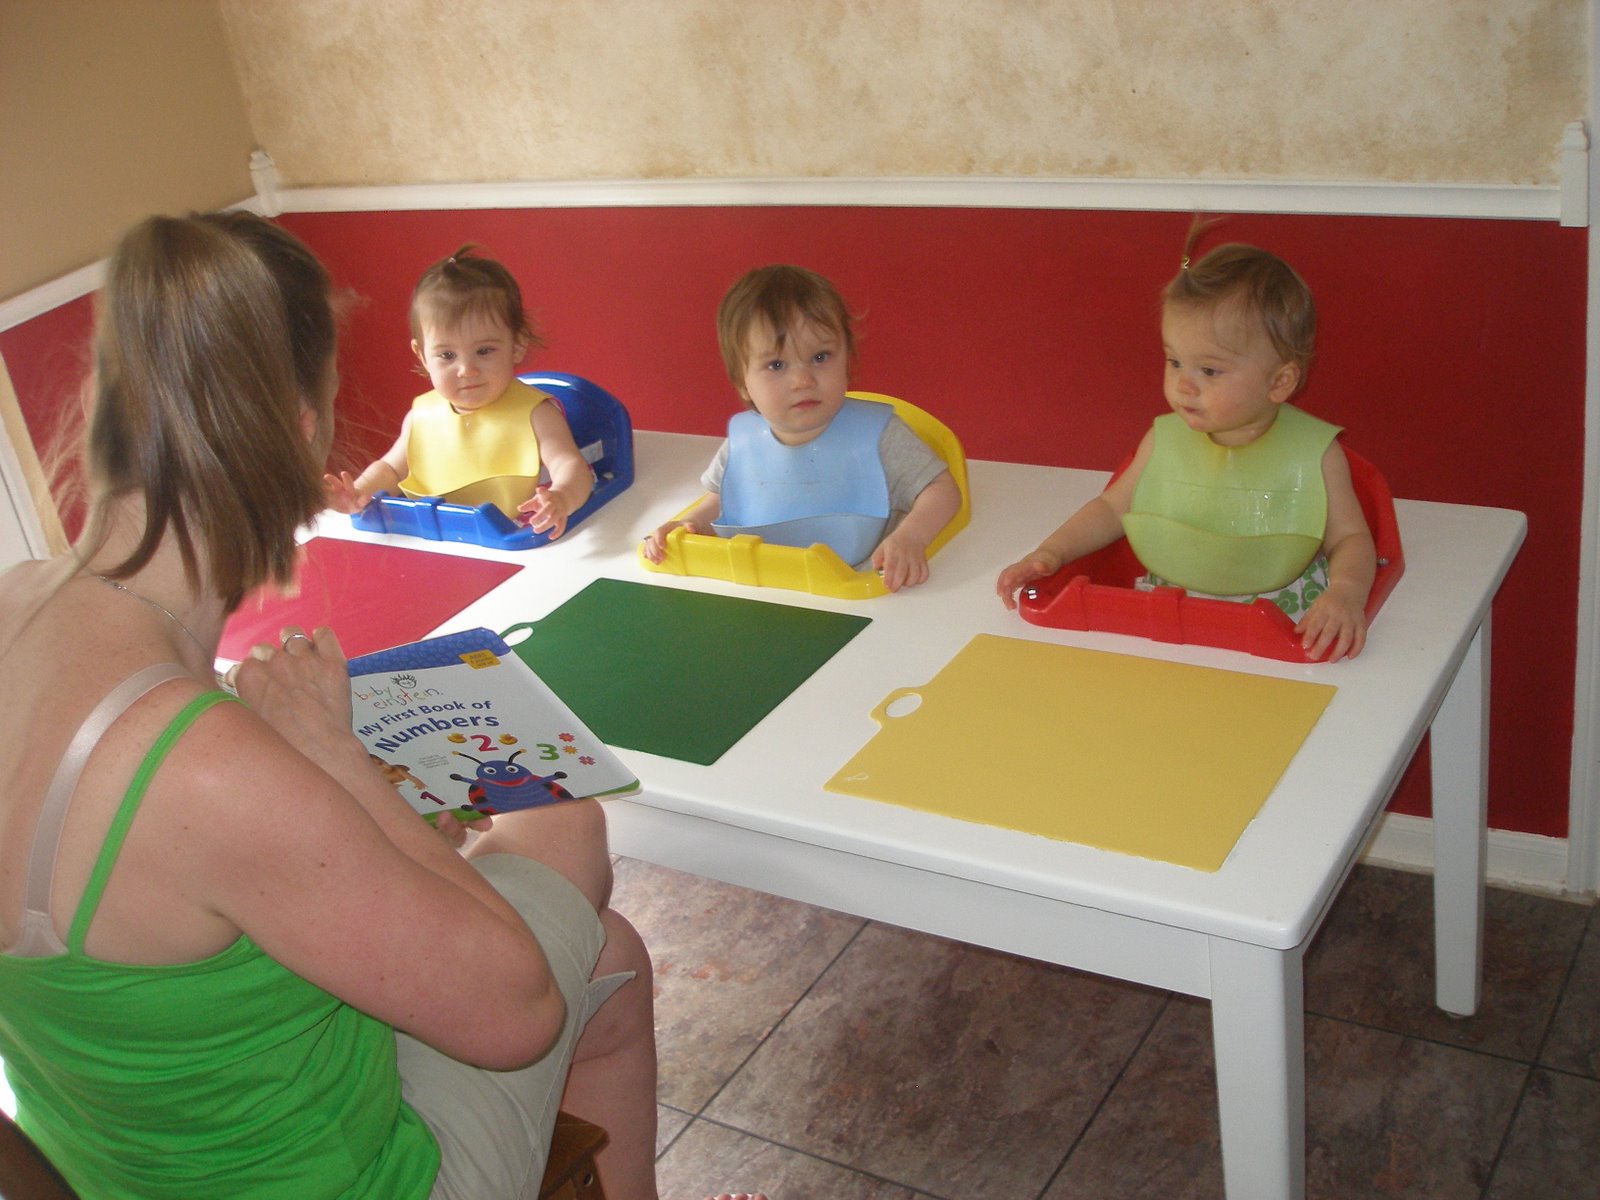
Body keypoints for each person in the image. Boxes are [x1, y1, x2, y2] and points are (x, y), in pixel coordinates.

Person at [0, 212, 664, 1198]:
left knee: (609, 958)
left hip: (119, 1153)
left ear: (108, 407)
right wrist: (333, 758)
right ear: (298, 432)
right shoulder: (203, 766)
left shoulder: (14, 600)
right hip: (350, 1179)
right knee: (561, 819)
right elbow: (517, 1016)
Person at [995, 231, 1377, 662]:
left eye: (1209, 371)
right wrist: (1051, 551)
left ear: (1279, 381)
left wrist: (1345, 593)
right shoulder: (1162, 439)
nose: (1183, 385)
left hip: (1283, 626)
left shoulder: (1317, 455)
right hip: (1169, 622)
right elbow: (1112, 509)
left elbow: (1350, 538)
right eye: (1174, 361)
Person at [641, 264, 962, 592]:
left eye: (820, 357)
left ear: (848, 360)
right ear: (743, 384)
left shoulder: (881, 437)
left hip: (863, 592)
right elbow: (723, 500)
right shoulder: (742, 445)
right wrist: (691, 524)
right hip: (769, 592)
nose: (803, 380)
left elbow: (942, 489)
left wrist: (911, 538)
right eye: (776, 365)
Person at [324, 245, 593, 538]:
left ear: (517, 345)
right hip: (437, 541)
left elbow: (571, 466)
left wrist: (562, 498)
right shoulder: (420, 418)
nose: (467, 370)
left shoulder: (537, 415)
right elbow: (390, 469)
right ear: (423, 356)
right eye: (447, 355)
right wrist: (359, 492)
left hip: (520, 537)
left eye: (484, 351)